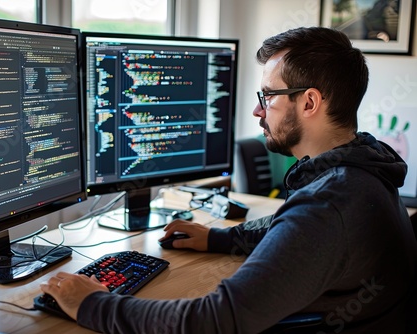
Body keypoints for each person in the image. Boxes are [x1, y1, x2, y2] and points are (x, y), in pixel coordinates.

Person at [40, 26, 417, 333]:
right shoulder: (366, 169)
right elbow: (288, 224)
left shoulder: (329, 204)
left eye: (268, 96)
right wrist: (221, 237)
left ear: (309, 103)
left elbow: (214, 322)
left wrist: (92, 303)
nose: (257, 109)